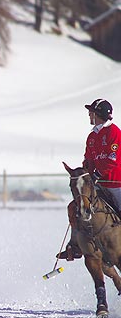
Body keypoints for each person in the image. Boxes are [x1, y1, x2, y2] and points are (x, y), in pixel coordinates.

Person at [57, 98, 121, 260]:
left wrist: (97, 174)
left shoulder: (114, 132)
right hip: (98, 184)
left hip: (116, 183)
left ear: (99, 114)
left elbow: (113, 160)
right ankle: (75, 245)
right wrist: (86, 171)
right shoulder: (92, 136)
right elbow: (88, 159)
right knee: (77, 207)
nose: (89, 115)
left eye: (91, 112)